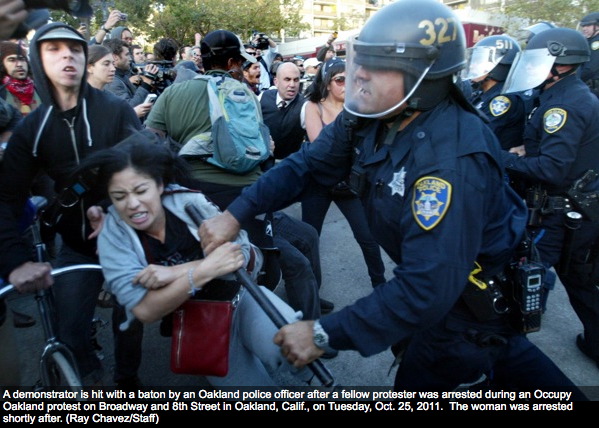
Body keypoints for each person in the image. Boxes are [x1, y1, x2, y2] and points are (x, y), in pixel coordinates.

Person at [198, 0, 586, 396]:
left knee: (448, 367)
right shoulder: (374, 114)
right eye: (359, 62)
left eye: (376, 66)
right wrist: (237, 213)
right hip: (445, 294)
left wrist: (322, 333)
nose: (359, 77)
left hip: (465, 309)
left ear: (424, 77)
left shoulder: (452, 158)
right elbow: (308, 166)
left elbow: (426, 287)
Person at [81, 134, 313, 386]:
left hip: (242, 296)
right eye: (119, 196)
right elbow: (146, 309)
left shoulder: (188, 202)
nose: (133, 204)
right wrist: (203, 270)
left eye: (141, 190)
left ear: (159, 185)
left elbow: (241, 257)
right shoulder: (112, 236)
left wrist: (177, 272)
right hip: (197, 321)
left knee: (300, 350)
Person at [145, 29, 326, 322]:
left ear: (201, 61)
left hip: (195, 200)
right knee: (300, 251)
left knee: (305, 238)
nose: (242, 68)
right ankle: (306, 331)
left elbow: (150, 144)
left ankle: (301, 311)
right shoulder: (246, 97)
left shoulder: (172, 93)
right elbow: (262, 149)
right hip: (249, 199)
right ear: (231, 62)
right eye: (240, 63)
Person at [0, 22, 141, 386]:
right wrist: (15, 261)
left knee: (131, 321)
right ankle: (87, 386)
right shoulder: (33, 127)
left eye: (75, 48)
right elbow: (5, 196)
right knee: (70, 331)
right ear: (38, 60)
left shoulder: (115, 110)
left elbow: (148, 169)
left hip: (126, 238)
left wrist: (115, 209)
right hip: (76, 247)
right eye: (53, 49)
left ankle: (127, 385)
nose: (67, 55)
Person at [501, 27, 599, 370]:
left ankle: (509, 357)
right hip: (579, 212)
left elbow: (553, 170)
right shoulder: (566, 95)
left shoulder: (567, 104)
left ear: (560, 63)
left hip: (557, 215)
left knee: (527, 284)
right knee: (581, 280)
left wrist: (503, 158)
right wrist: (529, 149)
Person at [302, 57, 385, 287]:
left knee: (368, 238)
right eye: (340, 79)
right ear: (327, 83)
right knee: (310, 238)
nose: (345, 85)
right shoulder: (313, 106)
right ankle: (310, 294)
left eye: (351, 79)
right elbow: (320, 148)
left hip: (348, 185)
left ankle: (380, 285)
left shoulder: (358, 107)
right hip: (318, 183)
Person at [463, 34, 527, 150]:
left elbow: (474, 134)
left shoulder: (504, 99)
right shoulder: (482, 92)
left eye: (479, 61)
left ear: (499, 67)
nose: (473, 65)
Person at [259, 62, 306, 159]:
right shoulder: (263, 97)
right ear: (276, 82)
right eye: (287, 79)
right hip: (262, 161)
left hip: (290, 165)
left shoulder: (305, 106)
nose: (292, 85)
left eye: (296, 80)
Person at [0, 41, 42, 115]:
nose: (19, 64)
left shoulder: (40, 88)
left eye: (22, 59)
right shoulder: (2, 92)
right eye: (12, 60)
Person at [579, 12, 599, 96]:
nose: (584, 28)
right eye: (583, 26)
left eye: (588, 26)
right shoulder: (589, 40)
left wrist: (575, 81)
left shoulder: (596, 42)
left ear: (597, 26)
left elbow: (590, 68)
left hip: (594, 89)